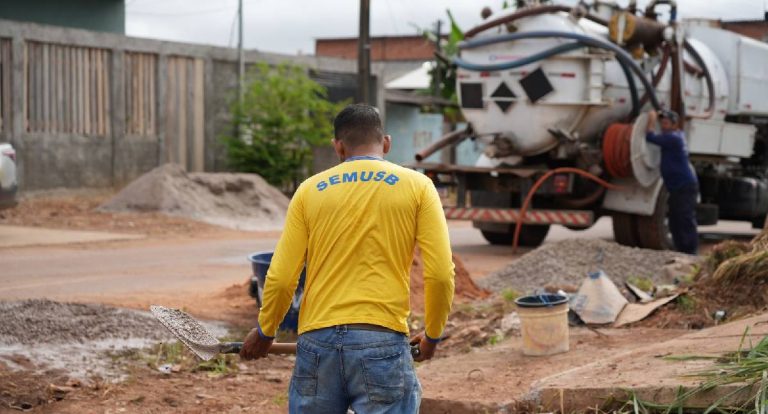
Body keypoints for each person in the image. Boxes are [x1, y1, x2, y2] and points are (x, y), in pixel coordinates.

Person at [240, 104, 456, 413]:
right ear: (386, 143)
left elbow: (282, 277)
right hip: (382, 341)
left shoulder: (308, 191)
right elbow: (439, 275)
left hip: (317, 345)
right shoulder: (418, 187)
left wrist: (265, 331)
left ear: (338, 147)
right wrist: (432, 336)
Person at [646, 109, 699, 254]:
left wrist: (651, 119)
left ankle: (690, 251)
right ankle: (680, 249)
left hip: (684, 186)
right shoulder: (672, 136)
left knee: (684, 218)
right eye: (662, 122)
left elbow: (650, 137)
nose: (663, 126)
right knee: (675, 219)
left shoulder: (673, 138)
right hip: (677, 187)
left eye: (666, 123)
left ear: (674, 125)